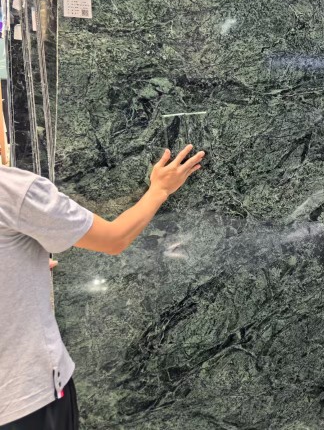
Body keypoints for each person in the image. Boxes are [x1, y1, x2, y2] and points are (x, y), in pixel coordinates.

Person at [0, 145, 204, 430]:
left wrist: (16, 267)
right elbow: (113, 238)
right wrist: (160, 189)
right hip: (26, 396)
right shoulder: (13, 189)